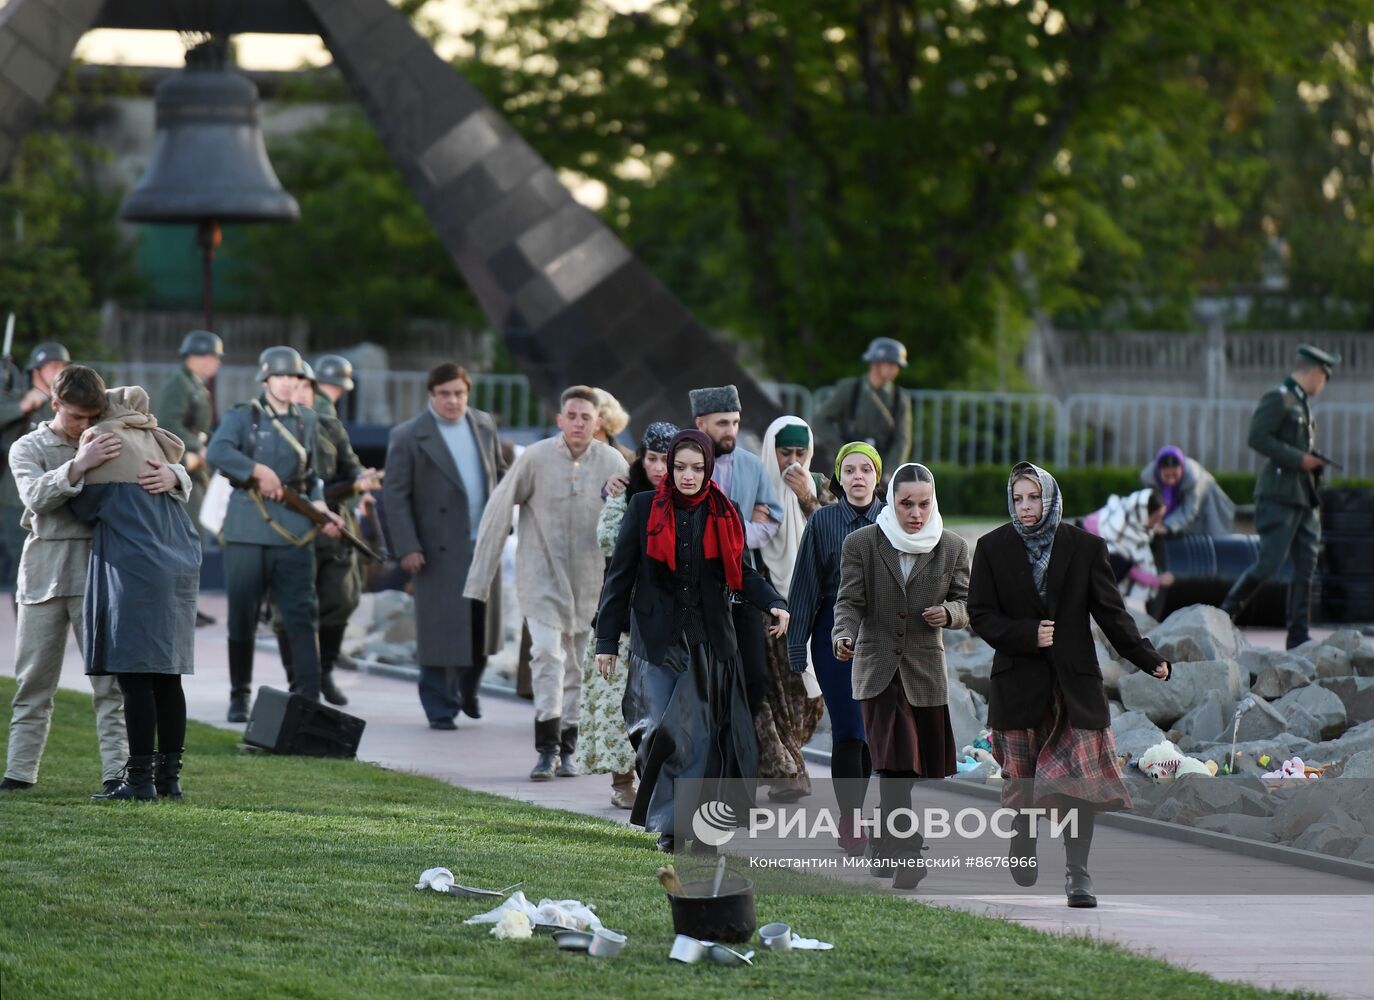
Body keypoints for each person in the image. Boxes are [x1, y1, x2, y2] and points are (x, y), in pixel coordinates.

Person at [968, 461, 1171, 909]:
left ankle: (1078, 874)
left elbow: (1112, 614)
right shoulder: (991, 548)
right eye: (1018, 498)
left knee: (1078, 785)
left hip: (1073, 687)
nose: (1025, 507)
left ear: (1050, 497)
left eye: (1033, 497)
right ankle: (1022, 837)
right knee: (1022, 781)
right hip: (1018, 687)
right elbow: (980, 614)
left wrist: (1146, 657)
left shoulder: (1085, 548)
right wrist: (1026, 634)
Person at [595, 429, 789, 853]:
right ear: (669, 468)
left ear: (708, 468)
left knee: (698, 738)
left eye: (696, 468)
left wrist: (774, 602)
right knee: (662, 735)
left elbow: (742, 572)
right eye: (679, 467)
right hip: (656, 642)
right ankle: (671, 820)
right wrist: (606, 641)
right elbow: (619, 578)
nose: (687, 475)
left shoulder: (725, 510)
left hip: (707, 644)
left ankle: (688, 829)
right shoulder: (644, 507)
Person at [2, 366, 192, 794]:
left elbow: (158, 452)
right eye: (76, 417)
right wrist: (80, 463)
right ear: (55, 405)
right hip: (45, 571)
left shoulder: (114, 430)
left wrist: (176, 477)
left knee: (113, 687)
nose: (85, 426)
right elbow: (35, 498)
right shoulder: (27, 447)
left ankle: (118, 774)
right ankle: (18, 773)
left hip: (103, 571)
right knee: (33, 683)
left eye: (92, 417)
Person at [464, 386, 628, 779]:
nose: (577, 423)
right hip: (540, 577)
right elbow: (499, 509)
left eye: (585, 417)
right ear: (559, 419)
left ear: (598, 422)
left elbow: (632, 518)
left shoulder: (611, 461)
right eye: (570, 415)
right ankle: (546, 748)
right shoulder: (535, 458)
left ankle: (568, 748)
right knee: (547, 656)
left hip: (590, 583)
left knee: (578, 667)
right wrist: (479, 581)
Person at [832, 463, 968, 889]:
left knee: (903, 770)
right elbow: (849, 601)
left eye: (923, 503)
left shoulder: (953, 548)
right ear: (891, 501)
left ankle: (884, 846)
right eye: (906, 503)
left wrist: (949, 613)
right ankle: (908, 852)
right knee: (895, 763)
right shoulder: (862, 544)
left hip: (925, 672)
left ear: (934, 501)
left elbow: (968, 604)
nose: (915, 512)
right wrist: (843, 634)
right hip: (877, 671)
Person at [71, 386, 200, 801]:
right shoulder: (158, 445)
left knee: (134, 678)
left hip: (136, 570)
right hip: (178, 562)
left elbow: (81, 509)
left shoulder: (106, 443)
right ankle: (170, 779)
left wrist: (78, 462)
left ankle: (139, 780)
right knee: (167, 677)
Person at [205, 347, 343, 722]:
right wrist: (255, 470)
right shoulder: (243, 416)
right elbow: (217, 452)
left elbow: (312, 476)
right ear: (266, 379)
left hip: (295, 532)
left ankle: (307, 694)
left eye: (293, 378)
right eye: (280, 377)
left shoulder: (308, 420)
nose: (287, 383)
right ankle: (239, 694)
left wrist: (322, 508)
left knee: (301, 614)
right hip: (248, 528)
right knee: (242, 617)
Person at [385, 363, 506, 730]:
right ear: (431, 395)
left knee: (480, 628)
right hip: (434, 549)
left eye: (459, 393)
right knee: (439, 631)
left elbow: (500, 475)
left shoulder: (483, 425)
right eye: (444, 394)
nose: (452, 401)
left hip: (482, 544)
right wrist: (407, 545)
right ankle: (439, 706)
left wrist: (508, 521)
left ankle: (468, 690)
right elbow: (394, 495)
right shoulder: (408, 435)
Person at [575, 420, 677, 809]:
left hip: (665, 622)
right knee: (615, 700)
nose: (658, 468)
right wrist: (618, 500)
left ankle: (653, 781)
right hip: (621, 617)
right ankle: (622, 782)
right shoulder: (625, 493)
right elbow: (607, 541)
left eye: (667, 460)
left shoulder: (688, 499)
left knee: (659, 709)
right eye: (652, 458)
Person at [788, 442, 882, 854]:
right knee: (849, 728)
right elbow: (805, 587)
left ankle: (870, 816)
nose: (858, 477)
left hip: (883, 635)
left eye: (866, 469)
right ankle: (851, 819)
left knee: (873, 732)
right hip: (833, 633)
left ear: (878, 476)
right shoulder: (823, 522)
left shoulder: (896, 519)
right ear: (838, 479)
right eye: (850, 470)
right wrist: (796, 647)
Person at [271, 358, 378, 706]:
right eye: (295, 386)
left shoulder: (329, 425)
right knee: (288, 609)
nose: (301, 394)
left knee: (341, 599)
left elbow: (350, 465)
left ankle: (326, 670)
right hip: (287, 525)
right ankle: (299, 680)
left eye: (307, 387)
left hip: (333, 525)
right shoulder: (267, 427)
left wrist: (361, 479)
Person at [1220, 345, 1342, 649]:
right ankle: (1224, 614)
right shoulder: (1279, 398)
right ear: (1315, 372)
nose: (1322, 385)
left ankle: (1298, 633)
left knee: (1306, 564)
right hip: (1279, 496)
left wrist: (1309, 460)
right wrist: (1298, 459)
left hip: (1303, 497)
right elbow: (1257, 436)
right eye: (1324, 378)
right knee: (1269, 563)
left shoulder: (1300, 403)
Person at [691, 383, 780, 714]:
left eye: (735, 423)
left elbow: (772, 520)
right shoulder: (685, 462)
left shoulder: (751, 465)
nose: (731, 431)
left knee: (756, 677)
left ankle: (737, 744)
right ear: (701, 424)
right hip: (696, 589)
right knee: (703, 678)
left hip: (741, 583)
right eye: (723, 423)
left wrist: (734, 536)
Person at [753, 416, 826, 802]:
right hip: (766, 607)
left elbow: (837, 541)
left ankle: (788, 765)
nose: (793, 462)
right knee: (775, 691)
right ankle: (787, 772)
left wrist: (807, 499)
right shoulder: (754, 487)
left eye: (801, 453)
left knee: (812, 695)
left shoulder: (820, 490)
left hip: (810, 608)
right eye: (785, 453)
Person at [156, 330, 223, 627]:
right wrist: (196, 448)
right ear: (196, 356)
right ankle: (177, 606)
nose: (216, 362)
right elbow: (167, 424)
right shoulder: (179, 384)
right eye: (211, 356)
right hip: (183, 469)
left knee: (192, 540)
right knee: (185, 539)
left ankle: (186, 605)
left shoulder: (194, 384)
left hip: (194, 471)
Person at [1, 341, 69, 608]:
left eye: (62, 366)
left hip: (50, 493)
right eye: (52, 366)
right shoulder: (15, 394)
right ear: (36, 370)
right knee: (24, 566)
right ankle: (26, 630)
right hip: (14, 496)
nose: (58, 371)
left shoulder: (60, 404)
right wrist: (23, 405)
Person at [812, 337, 912, 481]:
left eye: (897, 365)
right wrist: (842, 450)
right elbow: (820, 420)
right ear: (875, 363)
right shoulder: (850, 388)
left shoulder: (899, 397)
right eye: (890, 363)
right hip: (847, 467)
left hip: (880, 468)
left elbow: (902, 440)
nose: (895, 370)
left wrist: (890, 472)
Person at [1081, 488, 1175, 597]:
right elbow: (1127, 569)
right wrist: (1157, 581)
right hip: (1086, 562)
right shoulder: (1118, 533)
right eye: (1155, 519)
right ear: (1143, 515)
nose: (1158, 523)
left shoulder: (1128, 510)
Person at [1140, 446, 1235, 537]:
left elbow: (1189, 509)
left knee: (1207, 541)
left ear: (1181, 468)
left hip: (1206, 507)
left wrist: (1167, 526)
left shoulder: (1193, 477)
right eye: (1166, 476)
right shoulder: (1149, 478)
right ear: (1158, 470)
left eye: (1175, 475)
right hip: (1179, 516)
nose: (1171, 480)